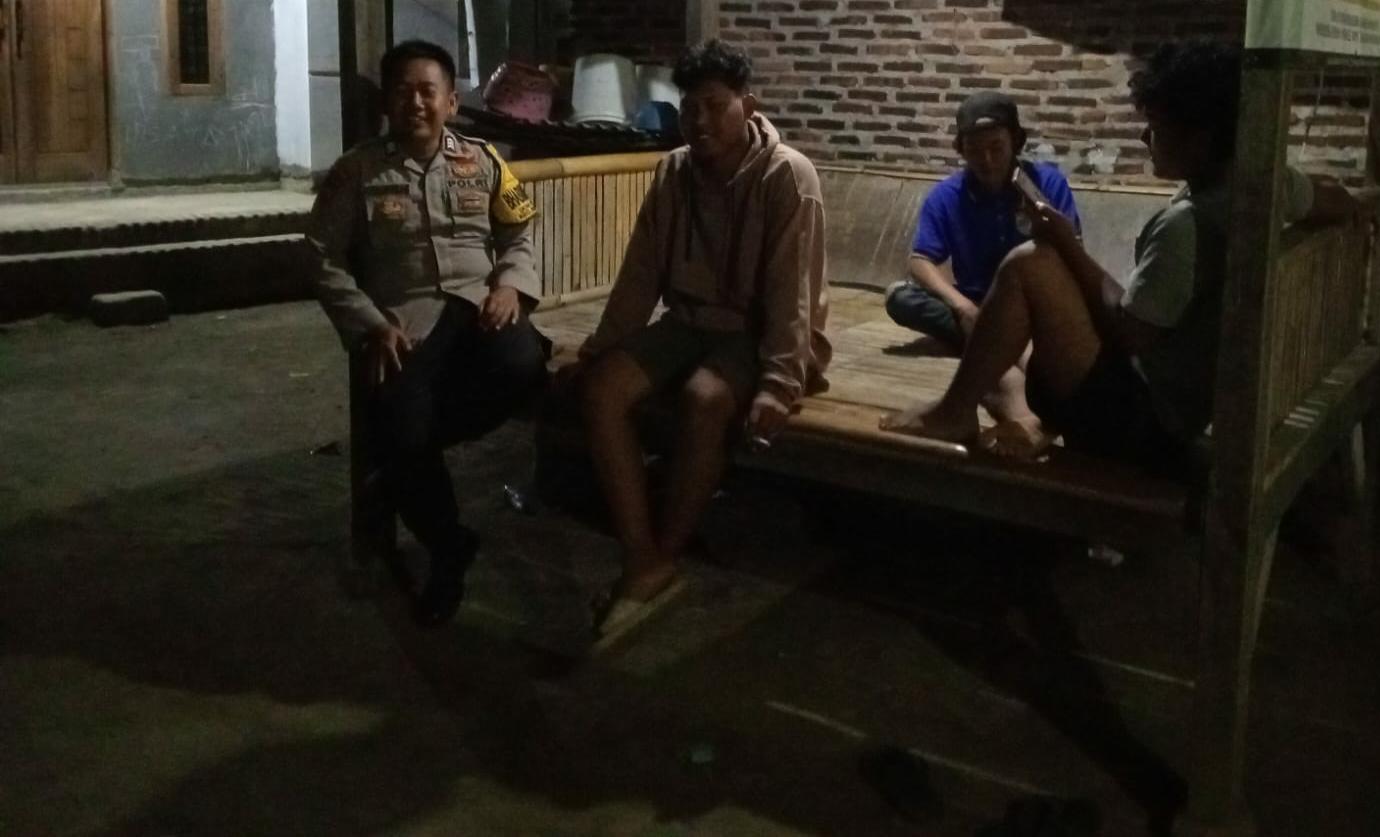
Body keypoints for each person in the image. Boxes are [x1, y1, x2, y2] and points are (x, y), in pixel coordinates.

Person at [883, 42, 1355, 467]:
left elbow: (1131, 335)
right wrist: (1363, 211)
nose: (1145, 138)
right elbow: (1334, 199)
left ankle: (955, 411)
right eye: (974, 149)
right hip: (1185, 396)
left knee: (1028, 265)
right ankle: (1000, 403)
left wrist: (1065, 242)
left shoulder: (1184, 225)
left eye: (1156, 128)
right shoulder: (1267, 185)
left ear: (1199, 138)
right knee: (941, 301)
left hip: (1150, 426)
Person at [574, 39, 830, 643]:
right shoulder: (674, 171)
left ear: (748, 105)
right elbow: (640, 275)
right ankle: (643, 556)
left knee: (705, 398)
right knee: (601, 390)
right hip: (689, 321)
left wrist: (779, 382)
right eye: (690, 108)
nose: (700, 120)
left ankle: (664, 553)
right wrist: (598, 352)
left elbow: (793, 293)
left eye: (715, 105)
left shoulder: (786, 175)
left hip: (756, 330)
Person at [308, 39, 549, 626]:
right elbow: (321, 258)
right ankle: (448, 547)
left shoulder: (485, 160)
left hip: (480, 306)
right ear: (387, 102)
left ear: (451, 101)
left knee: (523, 366)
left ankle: (406, 455)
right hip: (405, 322)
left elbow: (519, 234)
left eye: (427, 91)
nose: (415, 102)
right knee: (401, 423)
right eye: (403, 91)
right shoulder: (356, 171)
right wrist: (369, 322)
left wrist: (511, 287)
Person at [885, 92, 1081, 443]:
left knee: (1031, 326)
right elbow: (920, 260)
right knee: (900, 298)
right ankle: (999, 353)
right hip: (975, 306)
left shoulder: (1046, 184)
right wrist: (963, 306)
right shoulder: (947, 195)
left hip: (1034, 308)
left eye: (996, 147)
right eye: (974, 150)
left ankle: (1017, 396)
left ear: (1015, 142)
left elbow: (1072, 252)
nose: (987, 160)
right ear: (960, 149)